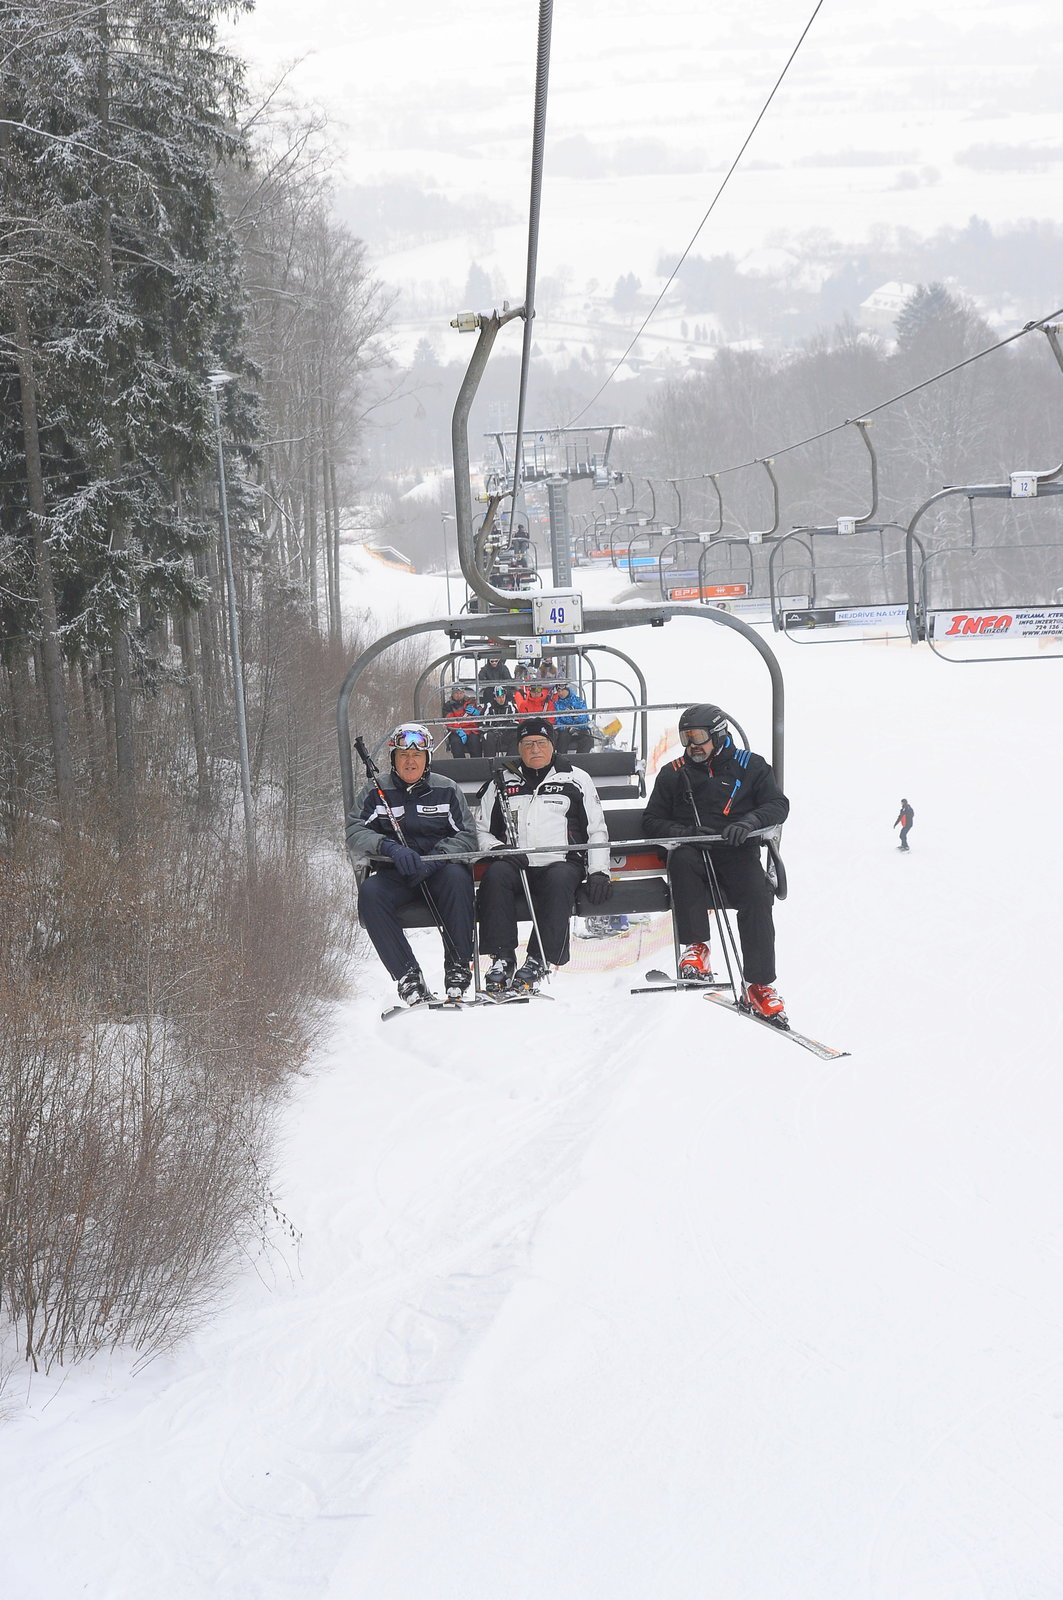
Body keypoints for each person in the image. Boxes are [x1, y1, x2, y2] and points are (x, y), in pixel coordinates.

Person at [642, 703, 790, 1019]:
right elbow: (652, 821)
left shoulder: (750, 766)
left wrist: (749, 823)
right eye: (686, 738)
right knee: (680, 860)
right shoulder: (674, 774)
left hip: (737, 850)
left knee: (756, 893)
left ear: (719, 734)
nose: (692, 745)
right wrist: (686, 832)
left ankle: (759, 983)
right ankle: (697, 950)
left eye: (698, 736)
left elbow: (778, 805)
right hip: (694, 851)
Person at [476, 717, 613, 992]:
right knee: (496, 876)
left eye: (540, 743)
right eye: (527, 744)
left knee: (560, 880)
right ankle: (502, 958)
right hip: (516, 863)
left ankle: (539, 959)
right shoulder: (502, 781)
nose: (534, 749)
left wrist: (599, 871)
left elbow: (596, 830)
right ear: (519, 748)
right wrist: (498, 849)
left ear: (552, 745)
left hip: (561, 862)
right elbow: (480, 831)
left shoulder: (576, 778)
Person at [346, 723, 478, 1005]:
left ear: (427, 759)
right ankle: (408, 975)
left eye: (417, 756)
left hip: (439, 871)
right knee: (371, 892)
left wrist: (434, 859)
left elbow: (467, 836)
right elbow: (355, 831)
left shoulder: (447, 790)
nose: (410, 760)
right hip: (397, 873)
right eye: (403, 755)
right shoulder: (376, 791)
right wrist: (388, 847)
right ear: (393, 759)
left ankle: (457, 967)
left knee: (458, 878)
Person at [551, 680, 593, 754]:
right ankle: (562, 759)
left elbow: (585, 719)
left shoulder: (579, 701)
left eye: (562, 690)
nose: (560, 693)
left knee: (587, 739)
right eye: (558, 691)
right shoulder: (556, 704)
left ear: (567, 689)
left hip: (579, 730)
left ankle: (581, 760)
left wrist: (576, 717)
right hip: (565, 731)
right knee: (563, 737)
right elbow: (557, 721)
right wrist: (567, 727)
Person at [479, 680, 519, 757]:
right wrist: (492, 729)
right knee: (487, 736)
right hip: (493, 734)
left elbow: (516, 722)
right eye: (499, 697)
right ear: (495, 698)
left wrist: (509, 727)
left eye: (503, 697)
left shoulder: (511, 706)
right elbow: (481, 724)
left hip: (506, 733)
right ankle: (490, 763)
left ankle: (510, 762)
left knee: (517, 736)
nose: (501, 699)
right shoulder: (488, 707)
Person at [443, 684, 483, 757]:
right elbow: (449, 719)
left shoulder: (471, 702)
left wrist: (477, 712)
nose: (459, 695)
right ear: (453, 694)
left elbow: (483, 713)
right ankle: (460, 765)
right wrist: (457, 730)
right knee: (456, 743)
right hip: (457, 731)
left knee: (475, 742)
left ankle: (478, 764)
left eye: (461, 693)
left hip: (472, 729)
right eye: (456, 693)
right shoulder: (448, 706)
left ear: (464, 693)